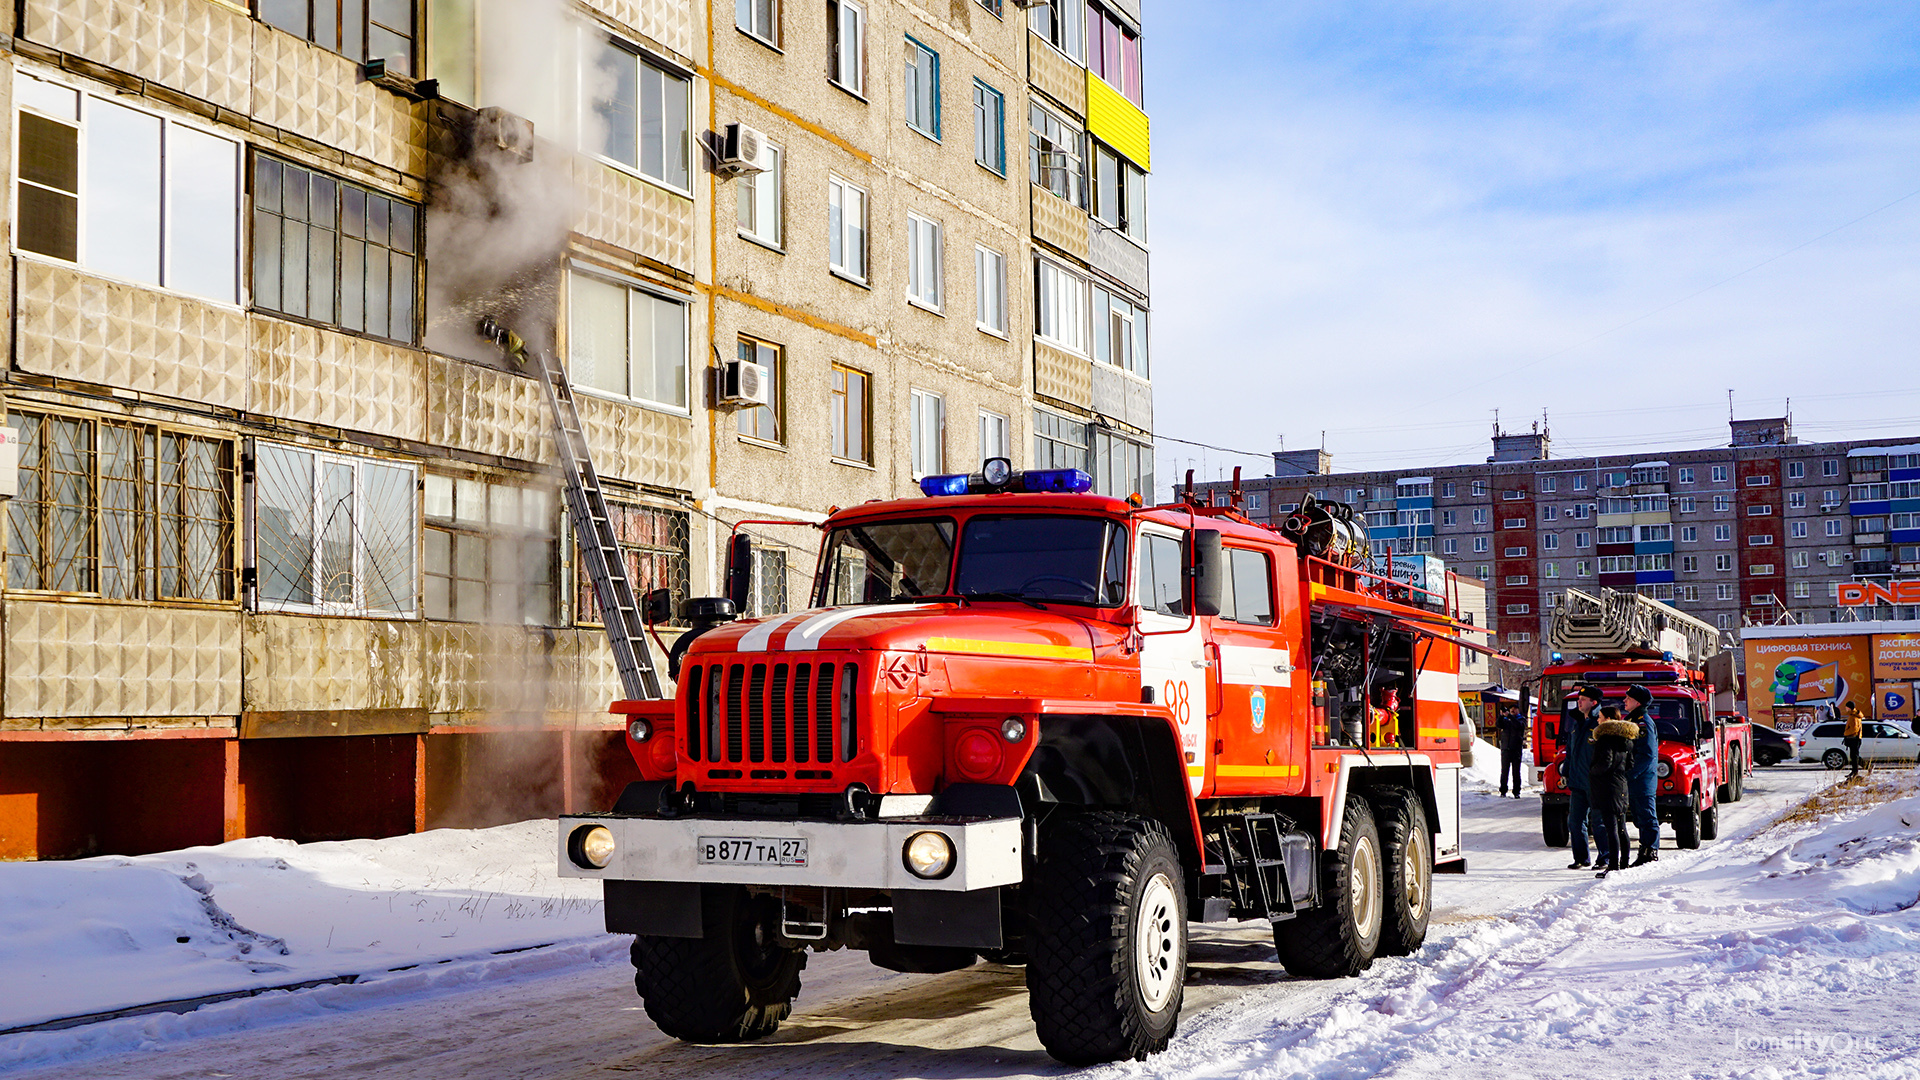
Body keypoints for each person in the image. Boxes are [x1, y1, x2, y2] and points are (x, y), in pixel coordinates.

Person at [1558, 685, 1605, 870]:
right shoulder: (1577, 723)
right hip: (1577, 781)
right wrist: (1566, 772)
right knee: (1575, 822)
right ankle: (1581, 858)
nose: (1579, 701)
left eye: (1583, 699)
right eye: (1579, 698)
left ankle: (1605, 857)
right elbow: (1570, 753)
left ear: (1593, 703)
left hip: (1594, 782)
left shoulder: (1600, 723)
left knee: (1600, 822)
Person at [1588, 706, 1638, 876]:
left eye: (1600, 717)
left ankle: (1614, 865)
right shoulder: (1627, 739)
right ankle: (1624, 863)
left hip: (1607, 786)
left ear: (1608, 719)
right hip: (1621, 784)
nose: (1598, 720)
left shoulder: (1604, 739)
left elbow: (1606, 761)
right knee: (1621, 826)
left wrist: (1592, 771)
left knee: (1611, 828)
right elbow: (1631, 764)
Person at [1623, 685, 1661, 866]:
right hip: (1635, 779)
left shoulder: (1643, 722)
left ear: (1637, 702)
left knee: (1647, 815)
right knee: (1639, 816)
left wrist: (1629, 775)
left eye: (1628, 698)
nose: (1624, 700)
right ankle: (1644, 850)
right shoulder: (1632, 720)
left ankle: (1650, 851)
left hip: (1642, 779)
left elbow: (1646, 755)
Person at [1496, 700, 1528, 798]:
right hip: (1506, 749)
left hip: (1516, 749)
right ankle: (1503, 791)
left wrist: (1510, 716)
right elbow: (1498, 725)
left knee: (1516, 772)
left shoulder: (1521, 719)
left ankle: (1516, 792)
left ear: (1518, 710)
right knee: (1504, 771)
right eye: (1511, 710)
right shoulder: (1506, 720)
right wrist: (1501, 716)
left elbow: (1519, 726)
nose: (1513, 711)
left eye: (1514, 709)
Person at [1842, 700, 1865, 778]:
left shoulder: (1854, 717)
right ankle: (1856, 771)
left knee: (1854, 756)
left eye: (1846, 707)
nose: (1845, 708)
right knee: (1854, 756)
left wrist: (1845, 733)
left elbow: (1854, 729)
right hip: (1855, 738)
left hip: (1854, 738)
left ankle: (1855, 772)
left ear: (1849, 708)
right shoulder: (1853, 715)